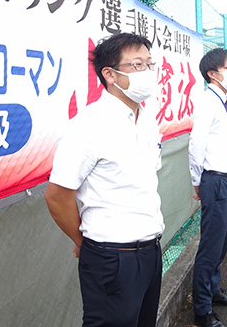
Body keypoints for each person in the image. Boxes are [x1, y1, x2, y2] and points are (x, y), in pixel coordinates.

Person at [45, 33, 165, 327]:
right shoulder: (88, 126)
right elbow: (57, 196)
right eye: (137, 65)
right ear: (110, 74)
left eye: (150, 64)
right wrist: (80, 239)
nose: (147, 72)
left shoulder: (146, 121)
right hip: (112, 257)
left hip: (150, 250)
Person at [189, 48, 227, 327]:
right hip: (216, 181)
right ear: (213, 73)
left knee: (221, 243)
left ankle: (213, 290)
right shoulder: (208, 102)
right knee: (210, 248)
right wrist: (197, 182)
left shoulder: (223, 101)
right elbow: (195, 145)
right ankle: (202, 311)